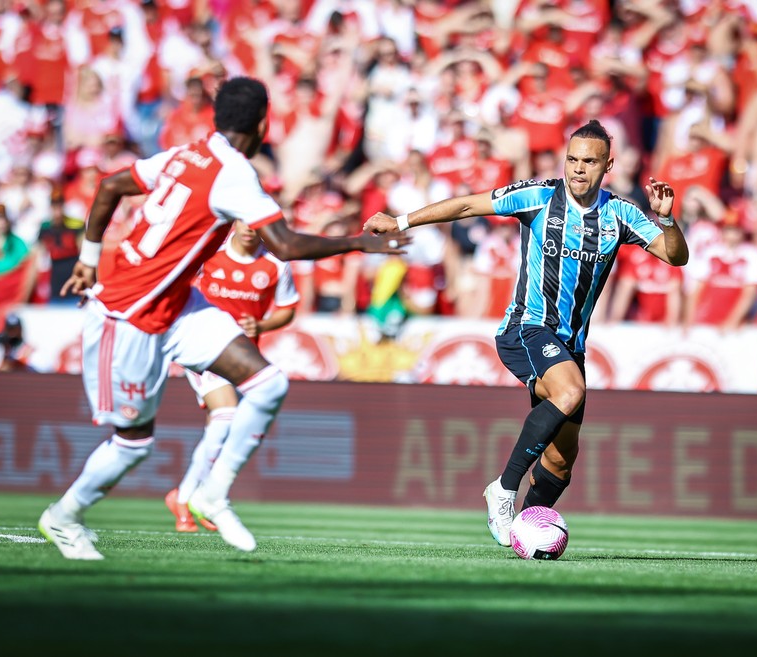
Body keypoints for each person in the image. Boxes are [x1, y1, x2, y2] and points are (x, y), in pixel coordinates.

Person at [38, 77, 409, 560]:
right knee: (132, 444)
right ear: (262, 125)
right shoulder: (233, 172)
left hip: (177, 305)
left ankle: (212, 493)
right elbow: (286, 246)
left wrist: (88, 258)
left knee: (268, 384)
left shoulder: (185, 154)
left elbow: (110, 185)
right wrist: (359, 242)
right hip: (128, 314)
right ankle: (64, 516)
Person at [364, 120, 689, 546]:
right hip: (526, 327)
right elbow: (466, 206)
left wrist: (666, 220)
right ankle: (503, 489)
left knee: (561, 460)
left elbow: (675, 257)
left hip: (570, 344)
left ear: (607, 166)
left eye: (589, 162)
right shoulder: (538, 196)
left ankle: (526, 531)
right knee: (570, 392)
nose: (578, 168)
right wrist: (401, 221)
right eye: (572, 159)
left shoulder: (620, 213)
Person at [165, 221, 299, 532]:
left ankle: (186, 494)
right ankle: (189, 499)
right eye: (243, 220)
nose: (249, 228)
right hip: (203, 347)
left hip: (242, 357)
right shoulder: (210, 252)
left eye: (256, 223)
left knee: (221, 426)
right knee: (226, 413)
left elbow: (287, 308)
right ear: (234, 221)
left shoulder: (276, 264)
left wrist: (262, 326)